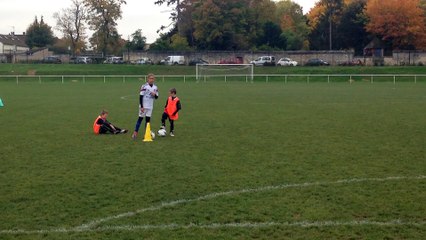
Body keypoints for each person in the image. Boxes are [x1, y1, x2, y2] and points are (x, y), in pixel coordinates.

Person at [132, 73, 159, 139]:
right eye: (150, 78)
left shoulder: (155, 87)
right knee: (140, 119)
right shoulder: (144, 86)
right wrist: (141, 106)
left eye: (153, 78)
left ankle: (147, 133)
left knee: (148, 121)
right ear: (147, 79)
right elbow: (141, 96)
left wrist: (154, 95)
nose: (151, 80)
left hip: (150, 106)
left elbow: (156, 97)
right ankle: (135, 133)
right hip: (144, 106)